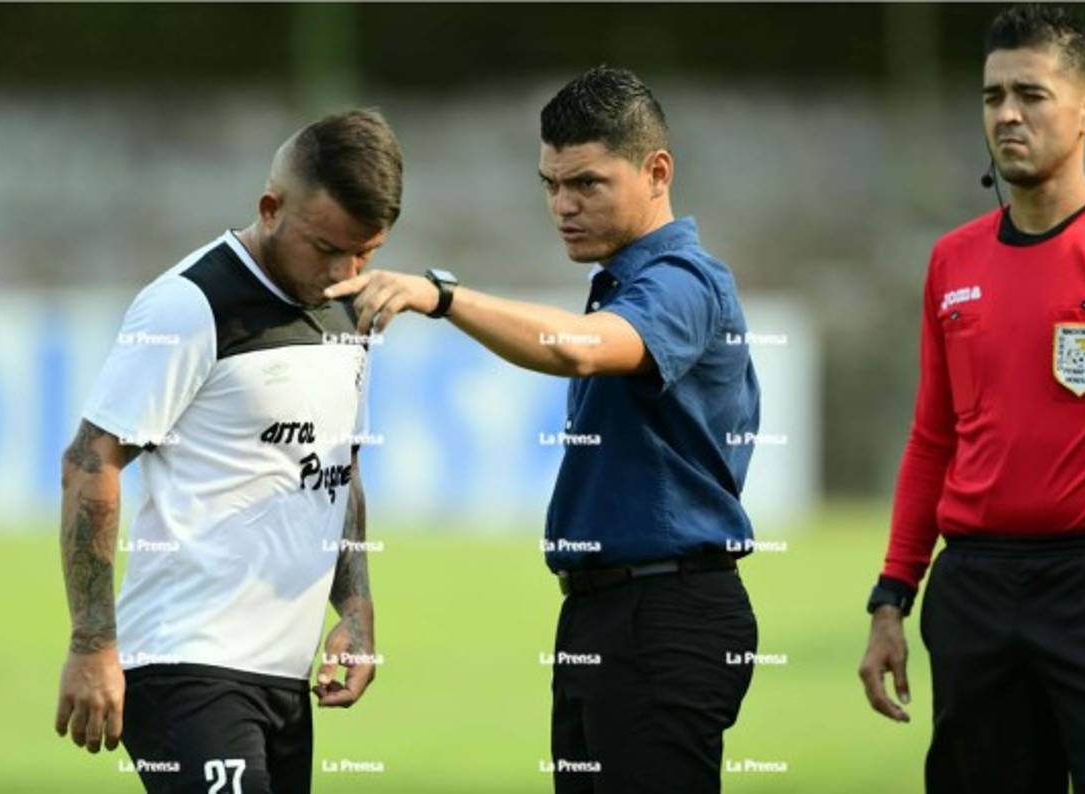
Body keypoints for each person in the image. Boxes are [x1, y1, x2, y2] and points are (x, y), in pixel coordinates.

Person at [326, 66, 761, 794]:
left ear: (657, 172)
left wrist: (440, 298)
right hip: (606, 615)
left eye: (586, 184)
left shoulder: (686, 280)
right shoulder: (626, 282)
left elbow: (579, 349)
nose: (562, 205)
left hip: (665, 615)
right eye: (550, 185)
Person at [53, 109, 402, 793]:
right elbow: (90, 462)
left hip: (281, 677)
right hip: (188, 666)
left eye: (366, 252)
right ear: (270, 208)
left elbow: (336, 469)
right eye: (327, 247)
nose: (345, 270)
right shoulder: (190, 305)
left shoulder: (351, 307)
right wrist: (93, 644)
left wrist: (356, 613)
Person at [858, 5, 1085, 791]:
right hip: (973, 591)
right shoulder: (951, 261)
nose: (1006, 113)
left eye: (1031, 94)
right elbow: (933, 437)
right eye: (992, 95)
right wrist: (893, 595)